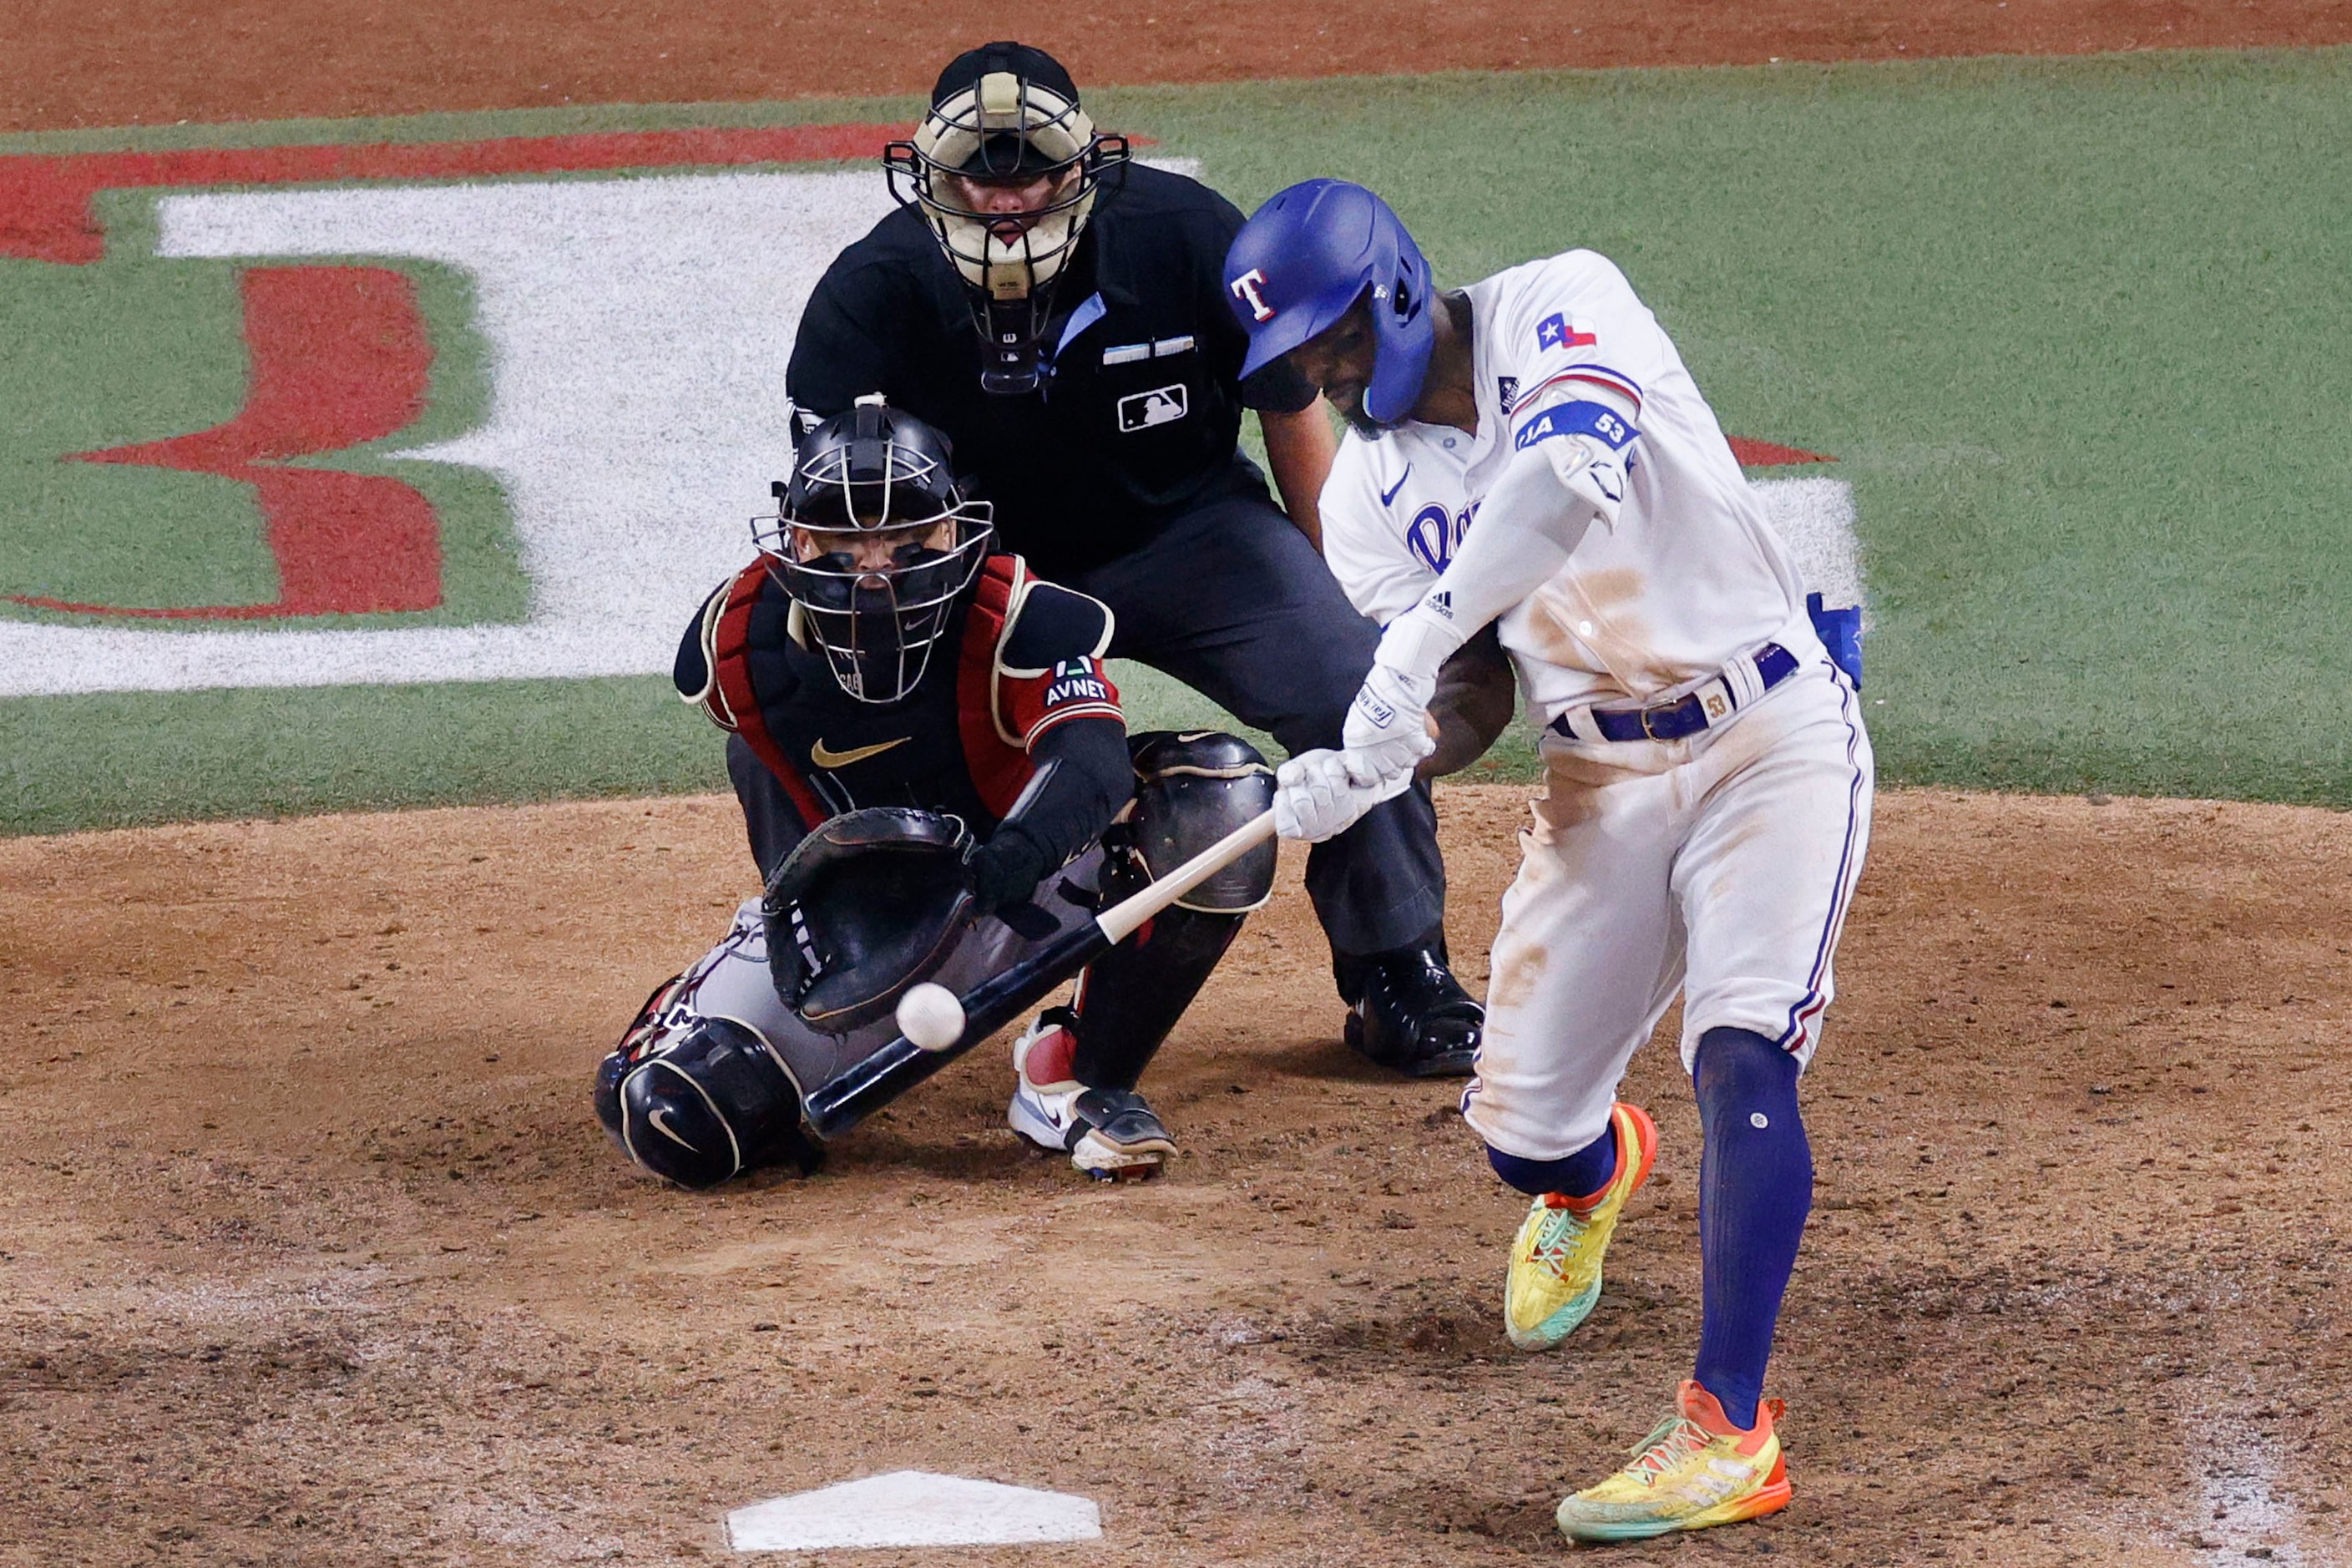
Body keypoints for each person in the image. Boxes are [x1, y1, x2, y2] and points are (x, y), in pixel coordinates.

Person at [1232, 180, 1874, 1542]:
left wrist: (1400, 655)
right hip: (1600, 785)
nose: (1326, 374)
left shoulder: (1560, 301)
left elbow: (1565, 475)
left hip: (1768, 731)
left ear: (1394, 288)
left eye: (1333, 337)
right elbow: (1467, 698)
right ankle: (1589, 1175)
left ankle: (1727, 1427)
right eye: (1297, 364)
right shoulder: (1364, 505)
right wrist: (1377, 760)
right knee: (1519, 1132)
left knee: (1741, 1049)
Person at [781, 40, 1483, 1080]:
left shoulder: (1189, 238)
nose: (1008, 200)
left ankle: (1399, 971)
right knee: (901, 735)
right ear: (930, 176)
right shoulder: (869, 297)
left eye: (1033, 172)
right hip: (984, 579)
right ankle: (883, 955)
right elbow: (840, 520)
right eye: (982, 172)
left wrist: (1337, 591)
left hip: (1192, 536)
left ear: (1084, 169)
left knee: (1350, 685)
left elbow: (1290, 410)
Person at [594, 398, 1276, 1186]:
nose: (875, 565)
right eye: (846, 540)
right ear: (799, 540)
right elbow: (760, 769)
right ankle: (749, 1011)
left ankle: (1077, 1074)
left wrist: (1009, 861)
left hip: (1023, 886)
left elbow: (1093, 764)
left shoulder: (1016, 616)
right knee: (675, 1117)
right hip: (857, 934)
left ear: (952, 532)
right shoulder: (735, 643)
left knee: (1216, 799)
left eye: (907, 536)